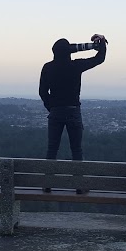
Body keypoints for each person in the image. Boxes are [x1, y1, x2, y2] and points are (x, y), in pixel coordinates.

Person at [39, 34, 107, 162]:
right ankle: (78, 179)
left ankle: (48, 178)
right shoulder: (76, 66)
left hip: (56, 112)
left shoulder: (48, 68)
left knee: (52, 149)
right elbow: (99, 59)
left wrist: (52, 107)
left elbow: (42, 92)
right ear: (69, 52)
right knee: (76, 150)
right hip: (73, 111)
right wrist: (101, 43)